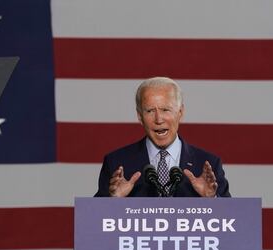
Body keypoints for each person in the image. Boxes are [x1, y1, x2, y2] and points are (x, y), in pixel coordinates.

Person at [95, 77, 230, 198]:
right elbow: (93, 219)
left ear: (180, 112)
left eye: (165, 110)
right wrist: (113, 202)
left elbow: (232, 218)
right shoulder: (116, 163)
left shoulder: (208, 164)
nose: (158, 119)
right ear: (140, 116)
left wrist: (212, 199)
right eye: (150, 111)